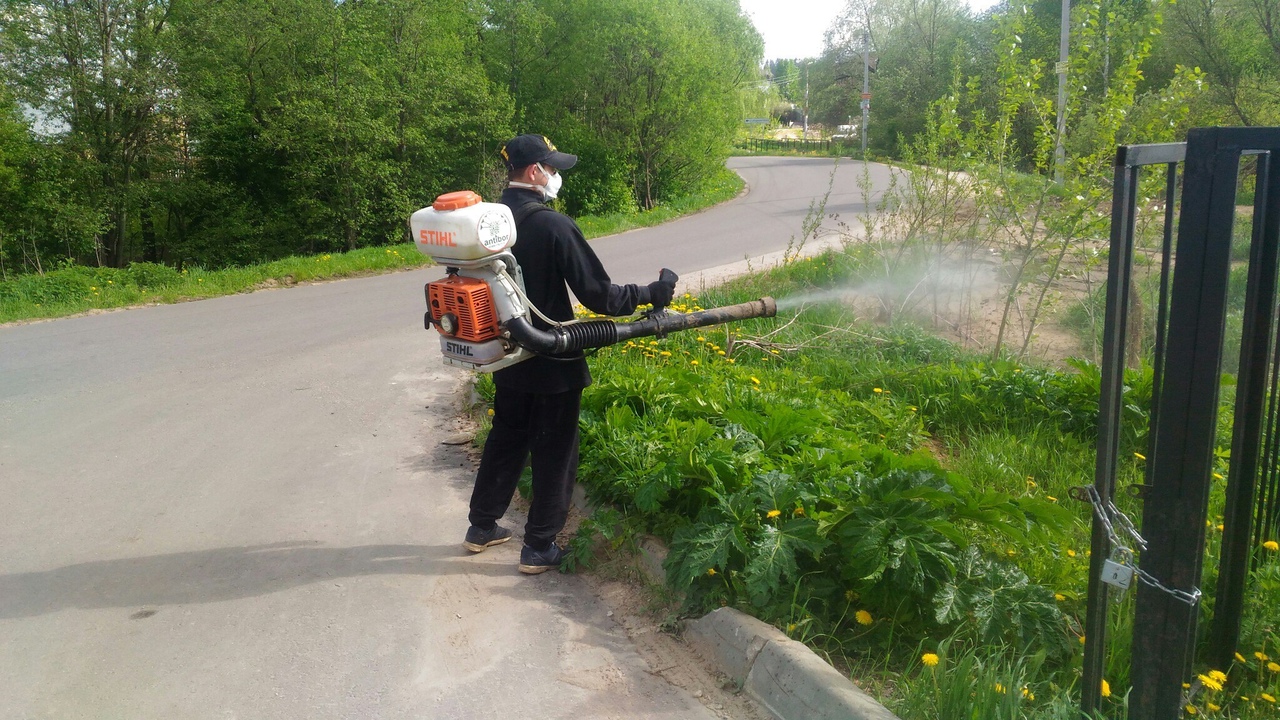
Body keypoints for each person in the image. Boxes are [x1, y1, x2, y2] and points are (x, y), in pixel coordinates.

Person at [462, 134, 677, 574]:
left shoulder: (488, 224)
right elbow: (599, 296)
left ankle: (481, 527)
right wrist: (651, 292)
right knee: (556, 449)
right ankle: (539, 545)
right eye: (553, 168)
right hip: (552, 357)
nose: (557, 177)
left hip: (506, 353)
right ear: (534, 172)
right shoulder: (551, 225)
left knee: (507, 437)